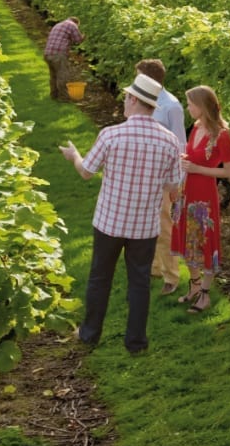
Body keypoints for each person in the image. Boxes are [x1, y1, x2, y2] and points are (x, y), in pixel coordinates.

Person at [58, 74, 186, 354]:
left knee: (99, 278)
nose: (124, 101)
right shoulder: (169, 142)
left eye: (127, 97)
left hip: (109, 222)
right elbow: (173, 185)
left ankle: (90, 334)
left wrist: (74, 155)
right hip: (145, 226)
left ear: (134, 100)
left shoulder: (111, 134)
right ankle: (136, 342)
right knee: (139, 283)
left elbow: (86, 172)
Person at [171, 86, 230, 314]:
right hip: (187, 190)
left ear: (201, 106)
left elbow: (229, 171)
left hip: (204, 195)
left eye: (190, 104)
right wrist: (186, 158)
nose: (187, 108)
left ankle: (206, 295)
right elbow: (194, 154)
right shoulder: (197, 127)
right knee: (187, 237)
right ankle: (194, 286)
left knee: (204, 241)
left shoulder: (222, 135)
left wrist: (198, 167)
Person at [137, 60, 190, 296]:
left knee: (164, 225)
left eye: (137, 77)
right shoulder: (143, 102)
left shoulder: (171, 107)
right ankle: (155, 266)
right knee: (148, 221)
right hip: (145, 172)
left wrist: (178, 181)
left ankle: (172, 275)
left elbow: (180, 144)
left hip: (163, 176)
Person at [43, 16, 82, 102]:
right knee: (62, 75)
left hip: (47, 53)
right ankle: (64, 98)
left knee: (53, 75)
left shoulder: (58, 25)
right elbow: (78, 40)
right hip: (58, 54)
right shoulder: (72, 25)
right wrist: (83, 37)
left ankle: (54, 96)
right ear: (76, 23)